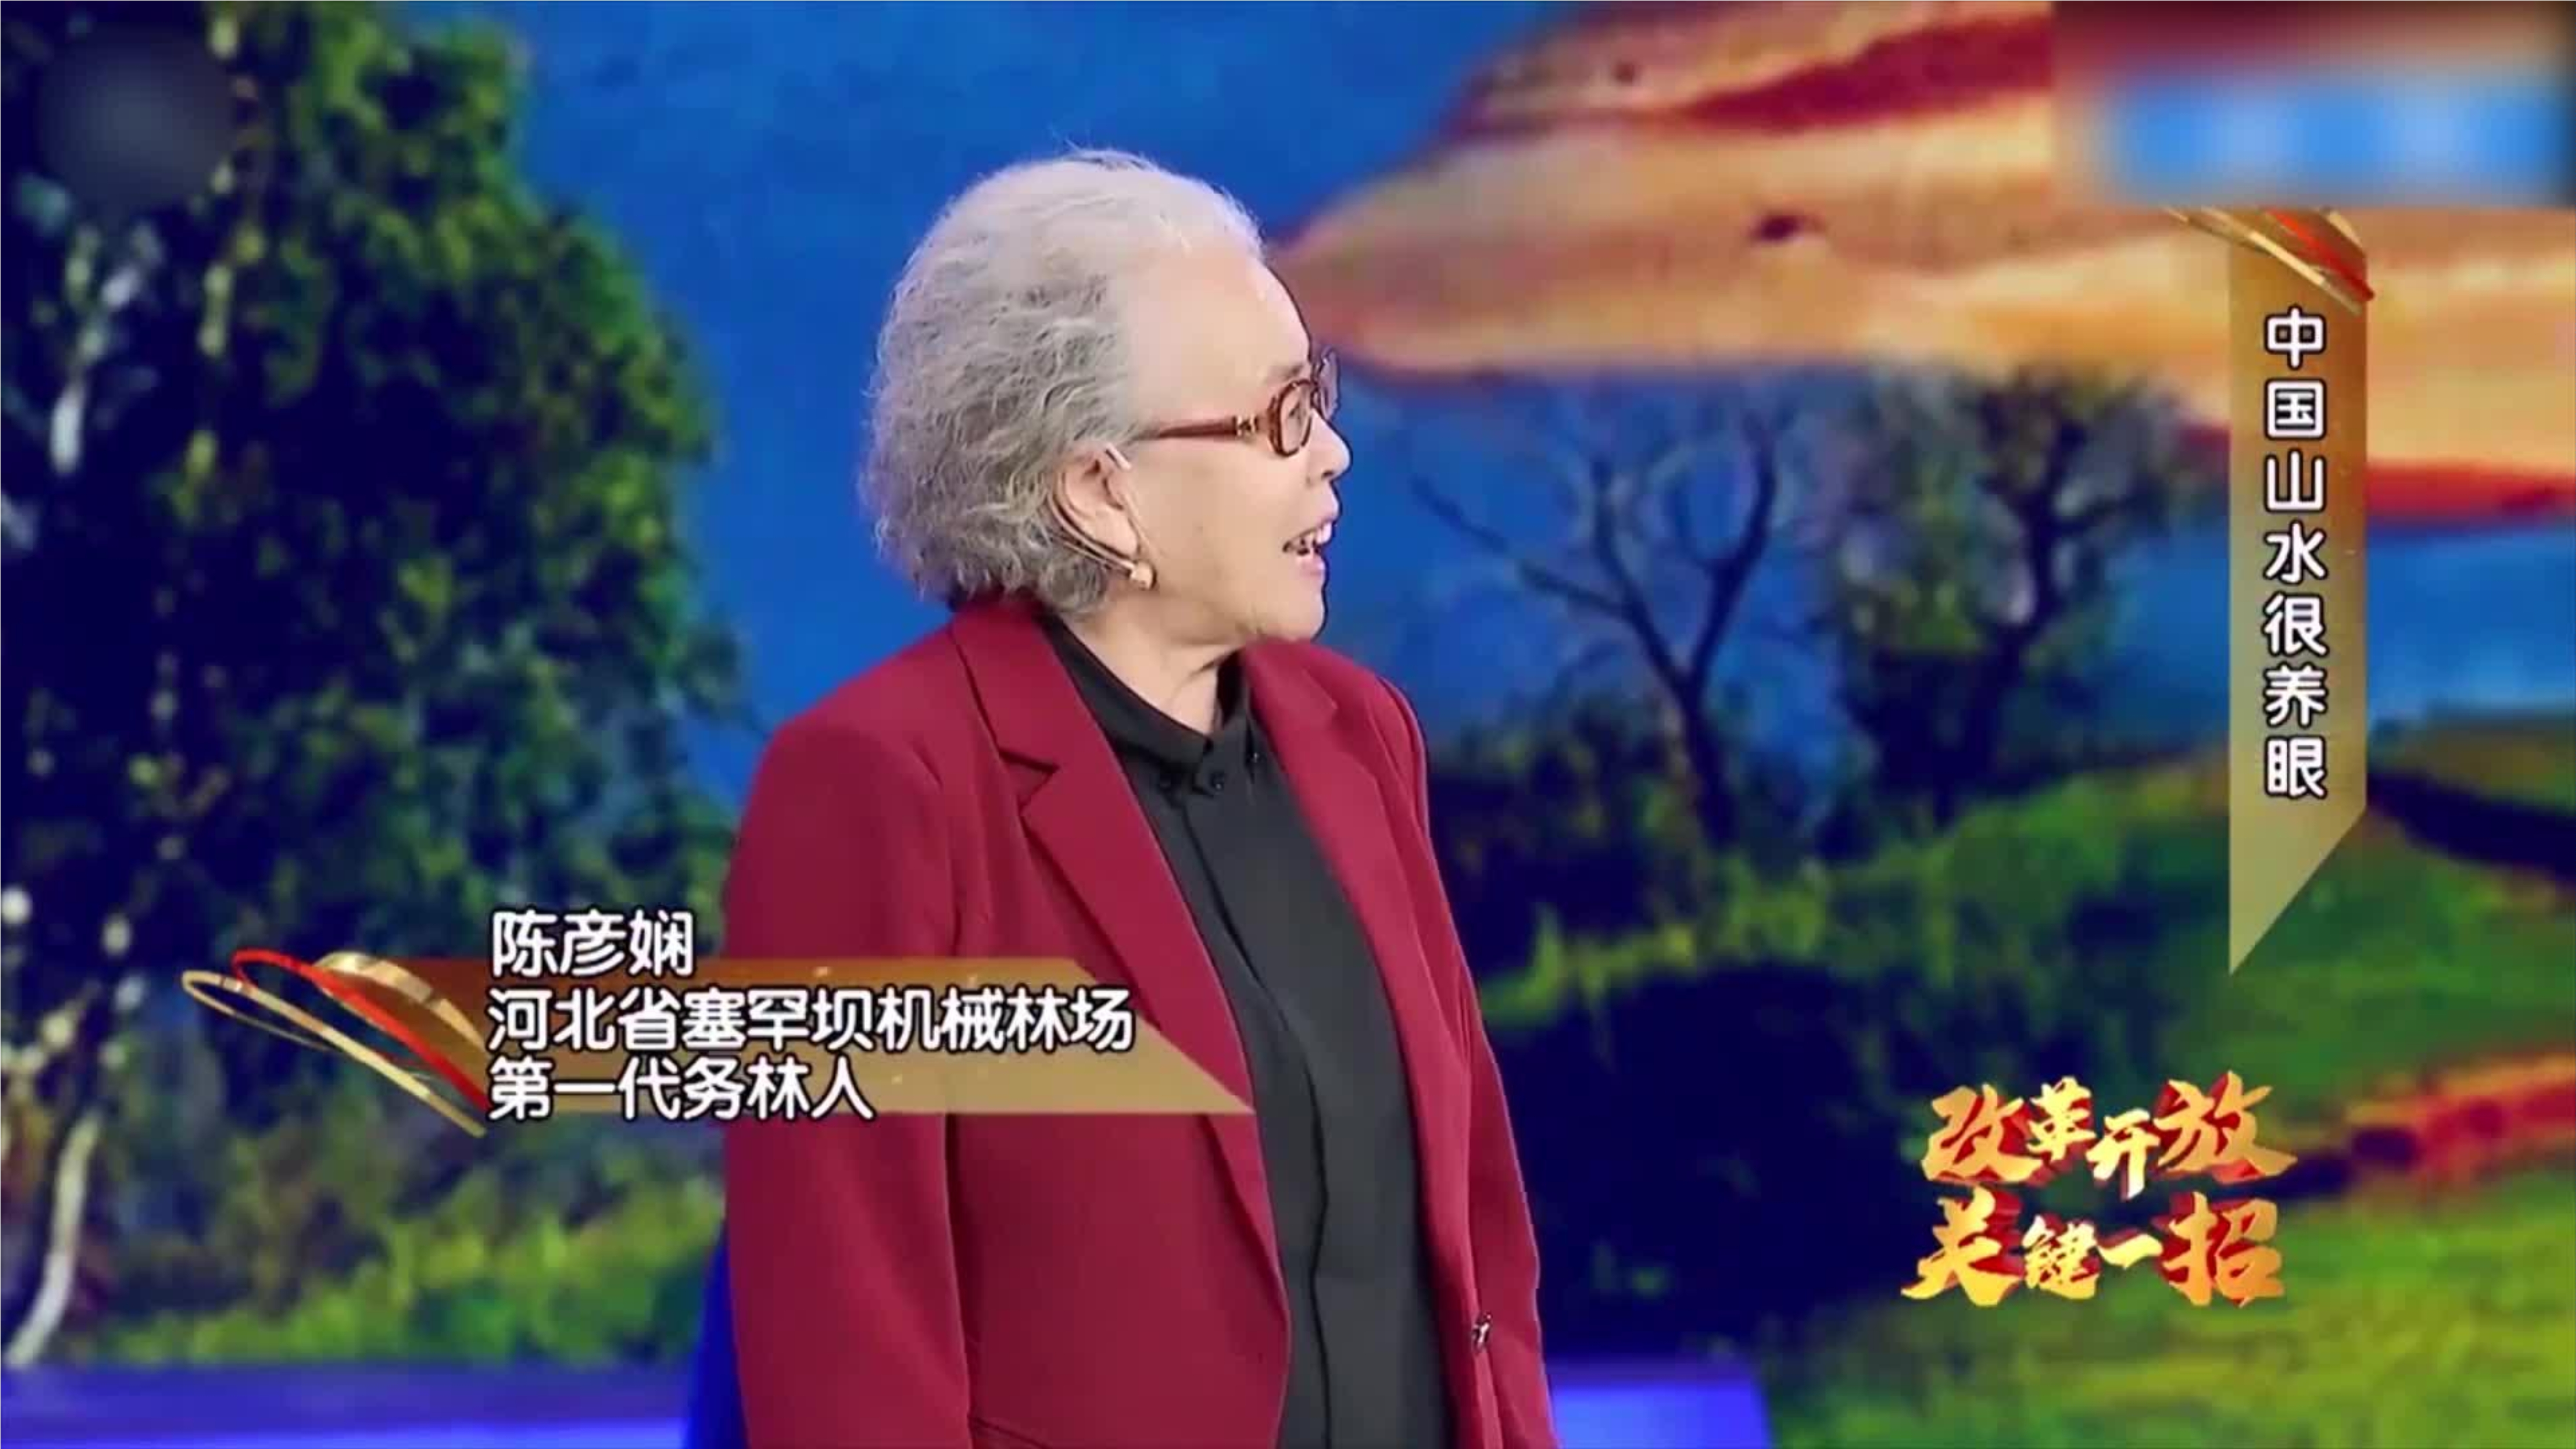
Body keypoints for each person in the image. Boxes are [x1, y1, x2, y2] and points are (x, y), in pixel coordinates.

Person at [720, 149, 1556, 1449]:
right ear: (1099, 491)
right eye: (1280, 418)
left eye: (1321, 396)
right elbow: (848, 1347)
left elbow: (1478, 1243)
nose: (1334, 456)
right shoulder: (881, 787)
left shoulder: (1359, 735)